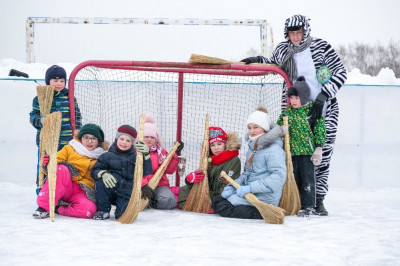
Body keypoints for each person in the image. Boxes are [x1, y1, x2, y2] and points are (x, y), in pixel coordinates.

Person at [240, 15, 347, 215]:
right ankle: (299, 199)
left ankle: (319, 200)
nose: (296, 37)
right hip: (296, 112)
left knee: (321, 157)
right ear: (287, 34)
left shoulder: (322, 47)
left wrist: (323, 96)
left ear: (305, 32)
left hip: (323, 111)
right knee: (297, 157)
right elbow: (273, 64)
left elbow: (341, 72)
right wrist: (256, 60)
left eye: (299, 33)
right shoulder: (284, 50)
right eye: (292, 33)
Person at [212, 106, 287, 219]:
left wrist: (251, 188)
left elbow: (278, 178)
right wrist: (232, 186)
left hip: (264, 197)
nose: (251, 131)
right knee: (217, 202)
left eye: (255, 127)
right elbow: (247, 173)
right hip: (251, 193)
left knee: (223, 207)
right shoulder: (253, 147)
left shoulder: (273, 149)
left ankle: (261, 212)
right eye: (249, 127)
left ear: (264, 128)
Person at [33, 123, 108, 219]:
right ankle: (44, 207)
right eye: (86, 137)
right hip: (65, 185)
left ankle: (58, 209)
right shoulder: (70, 148)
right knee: (61, 169)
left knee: (89, 210)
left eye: (93, 138)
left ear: (98, 141)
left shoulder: (102, 156)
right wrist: (48, 163)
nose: (89, 141)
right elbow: (55, 162)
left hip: (82, 192)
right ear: (81, 138)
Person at [277, 77, 326, 216]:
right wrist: (281, 130)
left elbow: (320, 130)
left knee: (307, 179)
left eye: (296, 98)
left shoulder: (311, 112)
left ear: (304, 97)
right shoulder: (287, 114)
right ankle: (296, 204)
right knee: (295, 178)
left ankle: (309, 205)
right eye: (291, 97)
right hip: (292, 153)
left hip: (307, 153)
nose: (293, 101)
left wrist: (318, 148)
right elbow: (277, 127)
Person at [29, 65, 82, 194]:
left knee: (63, 168)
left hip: (66, 142)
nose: (59, 84)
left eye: (62, 81)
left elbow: (77, 116)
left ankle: (62, 194)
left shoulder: (69, 98)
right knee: (44, 167)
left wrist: (78, 133)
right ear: (48, 82)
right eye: (55, 80)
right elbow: (33, 116)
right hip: (46, 143)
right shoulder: (40, 98)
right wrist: (40, 121)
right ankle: (43, 194)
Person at [91, 125, 153, 220]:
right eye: (122, 139)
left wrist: (146, 155)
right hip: (110, 188)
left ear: (132, 143)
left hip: (126, 192)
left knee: (121, 216)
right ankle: (103, 210)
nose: (124, 142)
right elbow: (95, 170)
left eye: (128, 141)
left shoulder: (136, 157)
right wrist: (103, 174)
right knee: (100, 184)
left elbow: (146, 172)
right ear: (117, 139)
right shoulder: (107, 156)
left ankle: (121, 209)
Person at [178, 126, 241, 213]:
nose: (216, 148)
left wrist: (205, 196)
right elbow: (202, 181)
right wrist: (190, 180)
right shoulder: (209, 159)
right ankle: (197, 205)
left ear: (225, 144)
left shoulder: (233, 160)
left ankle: (207, 205)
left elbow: (226, 187)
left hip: (222, 194)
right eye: (212, 145)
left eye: (219, 144)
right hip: (208, 192)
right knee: (184, 190)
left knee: (224, 200)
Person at [140, 115, 184, 210]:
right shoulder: (135, 152)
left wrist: (174, 155)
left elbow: (169, 170)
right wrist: (143, 185)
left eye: (152, 137)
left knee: (169, 201)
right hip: (142, 186)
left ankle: (151, 202)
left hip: (159, 184)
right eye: (146, 136)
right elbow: (132, 172)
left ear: (156, 139)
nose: (149, 139)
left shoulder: (161, 152)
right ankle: (146, 201)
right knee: (135, 201)